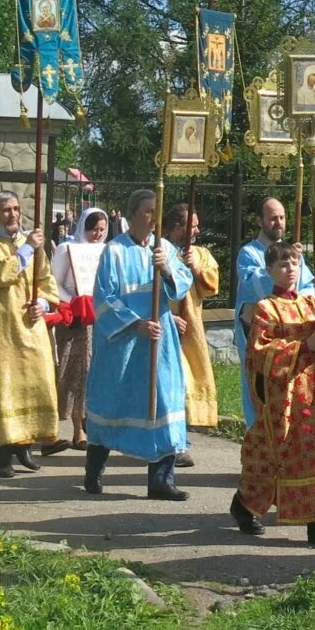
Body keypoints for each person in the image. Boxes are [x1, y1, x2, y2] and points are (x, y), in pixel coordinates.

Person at [232, 241, 315, 551]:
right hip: (281, 397)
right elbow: (258, 353)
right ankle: (244, 505)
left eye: (294, 262)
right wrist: (302, 346)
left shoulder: (311, 302)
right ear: (269, 270)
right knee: (274, 458)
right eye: (282, 264)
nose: (290, 268)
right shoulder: (265, 308)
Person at [84, 187, 193, 500]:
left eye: (156, 211)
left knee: (165, 402)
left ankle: (161, 480)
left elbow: (182, 285)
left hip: (160, 341)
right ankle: (94, 470)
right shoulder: (114, 250)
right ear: (131, 214)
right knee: (114, 405)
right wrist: (135, 324)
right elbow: (104, 298)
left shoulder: (165, 249)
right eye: (147, 210)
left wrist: (167, 269)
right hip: (125, 344)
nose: (153, 217)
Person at [0, 189, 68, 477]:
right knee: (3, 388)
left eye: (15, 209)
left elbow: (46, 281)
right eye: (5, 210)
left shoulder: (31, 242)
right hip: (0, 329)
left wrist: (42, 303)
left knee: (31, 382)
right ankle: (1, 456)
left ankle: (25, 446)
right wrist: (26, 249)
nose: (12, 215)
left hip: (29, 324)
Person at [233, 197, 309, 431]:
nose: (279, 222)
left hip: (290, 339)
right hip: (263, 341)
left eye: (282, 217)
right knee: (260, 395)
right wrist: (287, 270)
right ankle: (260, 454)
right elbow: (254, 285)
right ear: (260, 221)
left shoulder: (292, 253)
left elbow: (308, 288)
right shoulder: (248, 253)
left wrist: (296, 269)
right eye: (273, 218)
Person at [164, 202, 221, 453]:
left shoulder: (200, 254)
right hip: (166, 325)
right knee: (170, 383)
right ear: (177, 227)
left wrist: (195, 268)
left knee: (188, 382)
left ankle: (181, 439)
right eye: (192, 226)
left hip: (192, 328)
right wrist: (166, 318)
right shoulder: (161, 251)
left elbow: (212, 286)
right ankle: (168, 441)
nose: (197, 231)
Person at [50, 206, 108, 448]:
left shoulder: (107, 251)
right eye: (94, 229)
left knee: (93, 372)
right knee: (71, 372)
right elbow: (53, 281)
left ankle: (86, 424)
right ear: (84, 227)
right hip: (72, 318)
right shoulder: (67, 248)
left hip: (98, 319)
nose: (98, 234)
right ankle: (66, 426)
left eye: (102, 230)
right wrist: (73, 301)